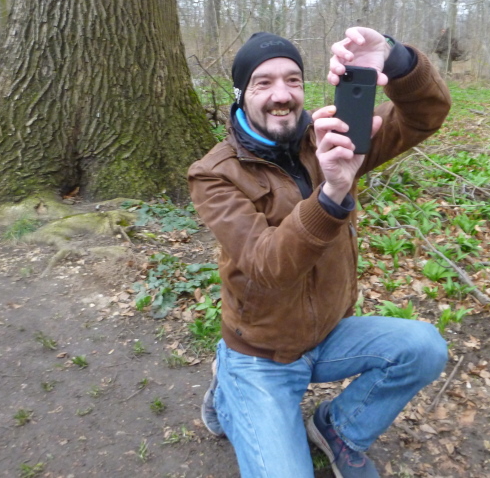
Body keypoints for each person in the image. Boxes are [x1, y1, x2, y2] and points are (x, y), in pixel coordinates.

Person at [188, 27, 451, 478]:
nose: (281, 95)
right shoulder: (215, 174)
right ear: (241, 95)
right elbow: (268, 265)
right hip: (262, 353)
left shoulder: (332, 137)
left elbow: (425, 116)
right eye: (263, 82)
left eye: (292, 79)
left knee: (424, 348)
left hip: (328, 335)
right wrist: (331, 193)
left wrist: (394, 59)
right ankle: (231, 392)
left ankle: (338, 429)